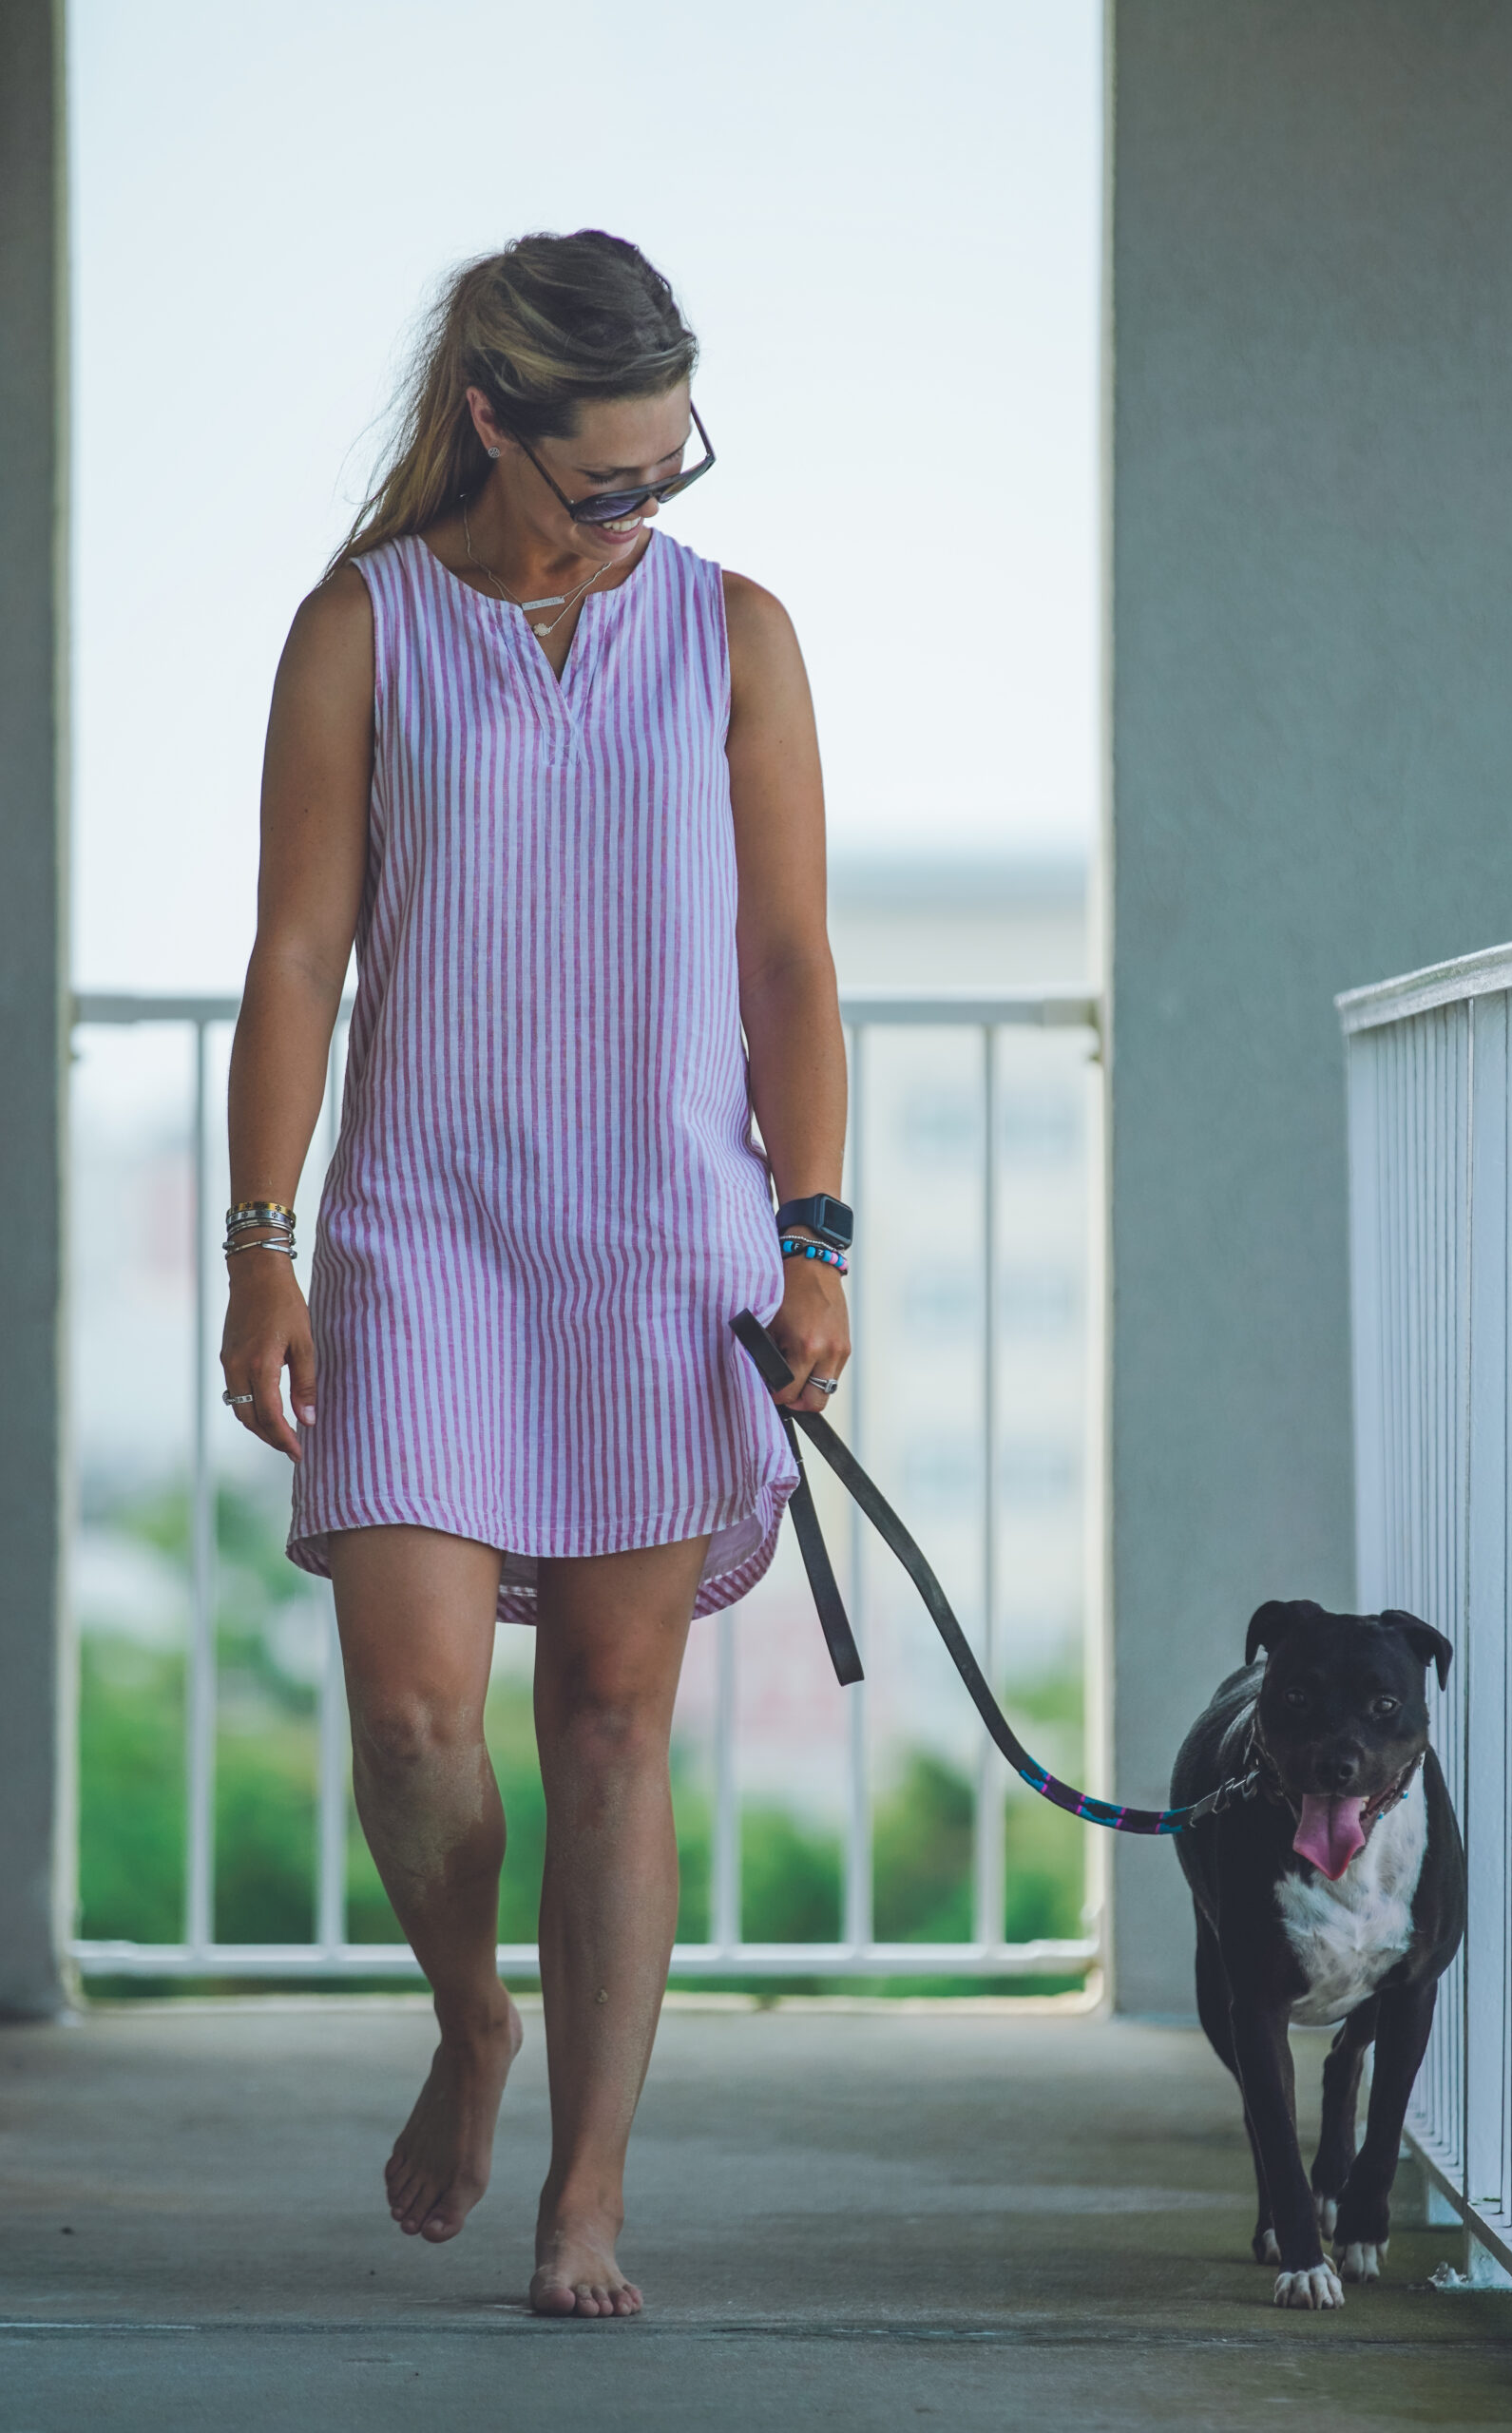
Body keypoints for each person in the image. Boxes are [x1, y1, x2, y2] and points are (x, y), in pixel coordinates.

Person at [219, 229, 850, 2318]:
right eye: (605, 478)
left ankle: (584, 2187)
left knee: (608, 1710)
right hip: (424, 1231)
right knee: (411, 1709)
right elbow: (298, 954)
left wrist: (813, 1232)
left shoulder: (734, 636)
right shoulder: (361, 630)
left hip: (664, 1241)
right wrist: (260, 1238)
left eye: (670, 467)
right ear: (492, 420)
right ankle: (470, 2009)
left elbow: (784, 965)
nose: (643, 509)